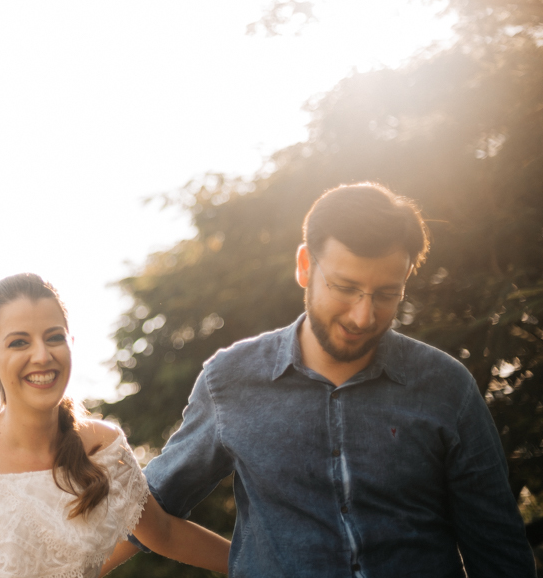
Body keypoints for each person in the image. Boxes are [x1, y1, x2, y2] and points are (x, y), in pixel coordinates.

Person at [128, 183, 534, 577]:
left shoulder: (448, 387)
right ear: (305, 265)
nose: (363, 316)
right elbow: (145, 510)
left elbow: (499, 551)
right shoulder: (229, 380)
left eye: (387, 294)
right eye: (345, 287)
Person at [0, 273, 230, 578]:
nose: (42, 355)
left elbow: (164, 533)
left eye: (54, 337)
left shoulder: (104, 447)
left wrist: (258, 564)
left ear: (71, 344)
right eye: (19, 342)